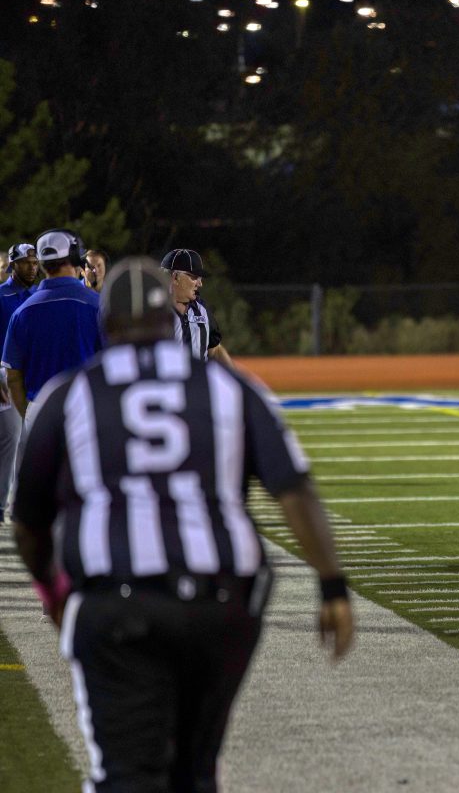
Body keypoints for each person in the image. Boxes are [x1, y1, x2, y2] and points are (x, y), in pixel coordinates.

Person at [12, 258, 354, 792]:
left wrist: (53, 592)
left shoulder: (71, 394)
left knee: (127, 775)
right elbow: (294, 488)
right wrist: (332, 585)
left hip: (116, 603)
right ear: (166, 319)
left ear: (107, 322)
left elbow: (29, 519)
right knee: (195, 771)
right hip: (220, 603)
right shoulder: (230, 388)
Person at [2, 228, 103, 423]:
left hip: (39, 410)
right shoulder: (97, 304)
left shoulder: (22, 312)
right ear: (74, 257)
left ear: (41, 263)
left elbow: (12, 376)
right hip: (86, 410)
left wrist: (28, 415)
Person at [0, 243, 38, 516]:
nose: (32, 267)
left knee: (26, 442)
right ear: (13, 264)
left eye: (35, 262)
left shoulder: (38, 295)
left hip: (31, 376)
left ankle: (16, 505)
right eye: (26, 262)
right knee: (11, 440)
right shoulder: (1, 295)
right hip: (4, 375)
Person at [161, 248, 234, 367]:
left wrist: (232, 375)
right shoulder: (154, 312)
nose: (200, 284)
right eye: (194, 277)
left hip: (198, 378)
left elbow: (215, 350)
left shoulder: (202, 310)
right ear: (175, 277)